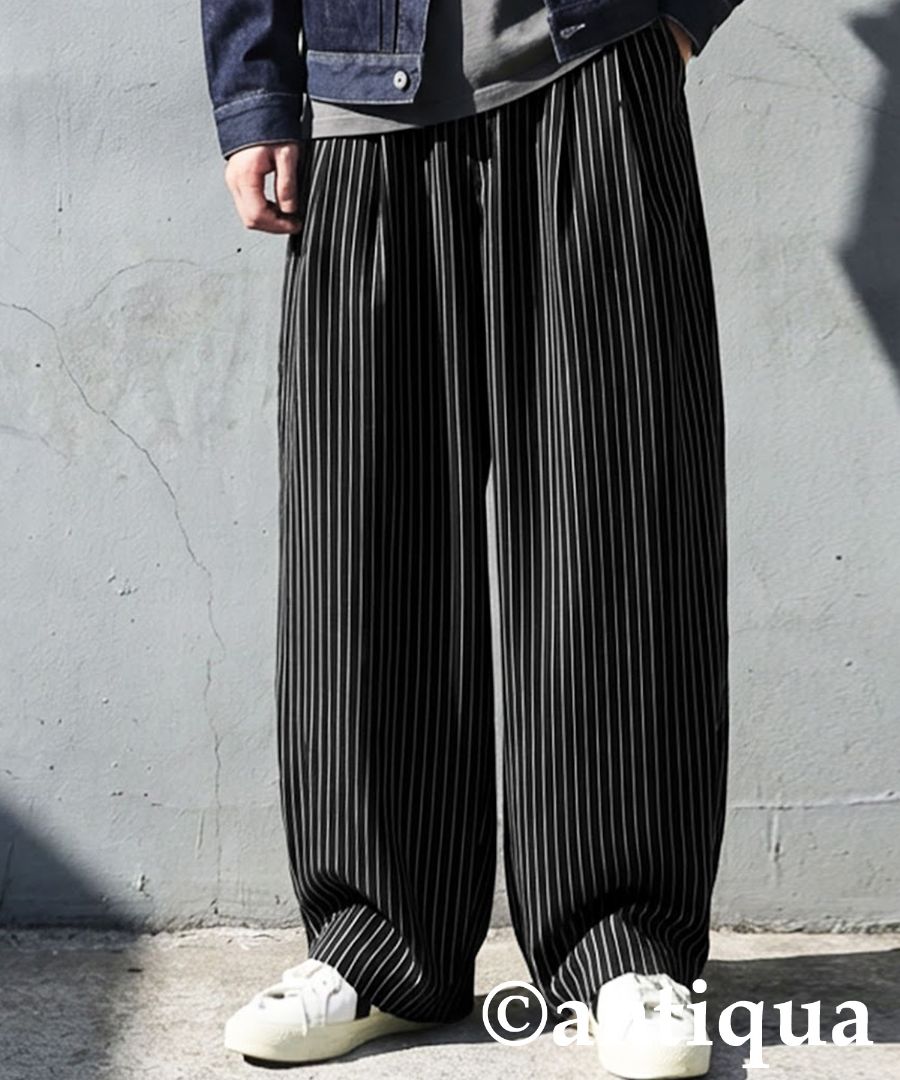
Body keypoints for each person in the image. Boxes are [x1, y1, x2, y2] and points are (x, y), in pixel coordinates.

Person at [200, 1, 741, 1075]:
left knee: (614, 526)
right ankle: (376, 942)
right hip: (360, 101)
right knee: (361, 540)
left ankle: (623, 942)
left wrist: (680, 14)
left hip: (594, 66)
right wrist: (254, 90)